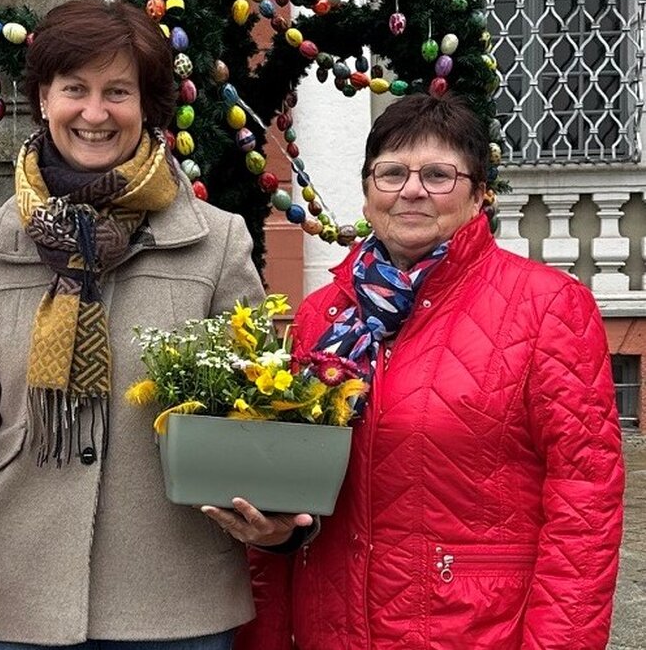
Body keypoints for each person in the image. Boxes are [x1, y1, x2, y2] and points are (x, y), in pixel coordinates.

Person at [0, 0, 295, 649]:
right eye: (75, 87)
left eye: (118, 91)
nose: (95, 112)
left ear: (148, 106)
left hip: (176, 605)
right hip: (25, 602)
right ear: (43, 97)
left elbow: (259, 410)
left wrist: (278, 509)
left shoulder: (215, 243)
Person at [234, 93, 625, 650]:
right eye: (391, 172)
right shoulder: (325, 314)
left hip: (473, 628)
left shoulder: (547, 306)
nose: (412, 190)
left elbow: (584, 502)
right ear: (369, 193)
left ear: (479, 196)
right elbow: (289, 489)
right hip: (334, 625)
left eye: (439, 174)